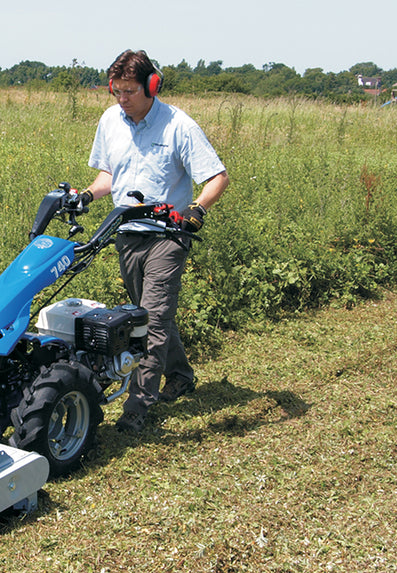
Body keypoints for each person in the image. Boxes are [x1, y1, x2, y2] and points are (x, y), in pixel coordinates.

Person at [75, 49, 230, 433]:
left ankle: (138, 408)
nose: (122, 99)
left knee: (151, 321)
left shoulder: (179, 126)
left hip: (167, 236)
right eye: (117, 91)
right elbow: (109, 177)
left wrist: (198, 209)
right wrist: (86, 196)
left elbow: (217, 177)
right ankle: (180, 375)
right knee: (150, 313)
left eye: (129, 91)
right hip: (126, 234)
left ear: (152, 86)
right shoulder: (110, 121)